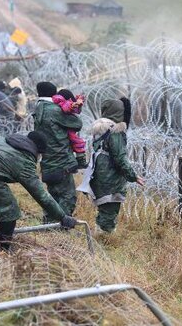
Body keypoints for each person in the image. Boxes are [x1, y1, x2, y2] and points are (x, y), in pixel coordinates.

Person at [86, 98, 145, 233]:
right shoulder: (115, 131)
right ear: (119, 112)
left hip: (99, 173)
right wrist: (133, 176)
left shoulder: (99, 130)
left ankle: (100, 234)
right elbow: (120, 158)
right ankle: (104, 239)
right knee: (109, 211)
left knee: (104, 208)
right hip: (111, 177)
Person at [33, 82, 83, 221]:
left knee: (52, 196)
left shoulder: (38, 108)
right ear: (54, 94)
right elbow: (77, 124)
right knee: (68, 197)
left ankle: (48, 225)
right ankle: (61, 228)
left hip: (47, 162)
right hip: (62, 161)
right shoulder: (55, 110)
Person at [52, 89, 88, 168]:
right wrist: (72, 105)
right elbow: (66, 107)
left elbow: (76, 110)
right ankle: (80, 160)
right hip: (68, 129)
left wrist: (79, 104)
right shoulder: (62, 102)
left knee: (76, 142)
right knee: (78, 142)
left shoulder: (58, 102)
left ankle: (80, 159)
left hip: (66, 127)